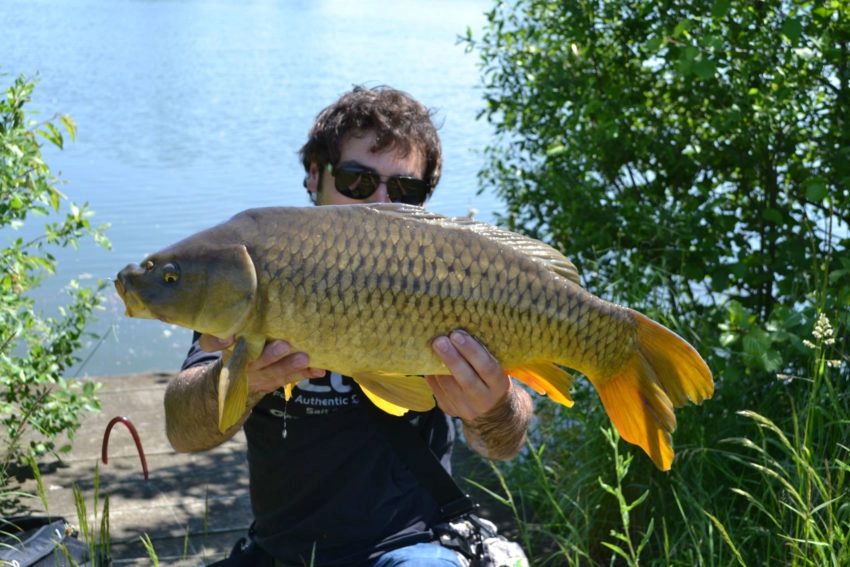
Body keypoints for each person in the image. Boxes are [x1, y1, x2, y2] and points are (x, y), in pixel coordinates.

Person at [164, 85, 534, 567]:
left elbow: (503, 444)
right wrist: (237, 384)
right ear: (315, 176)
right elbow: (183, 431)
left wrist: (491, 407)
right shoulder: (256, 273)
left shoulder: (452, 279)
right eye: (358, 182)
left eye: (404, 190)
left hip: (414, 546)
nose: (376, 204)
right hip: (281, 551)